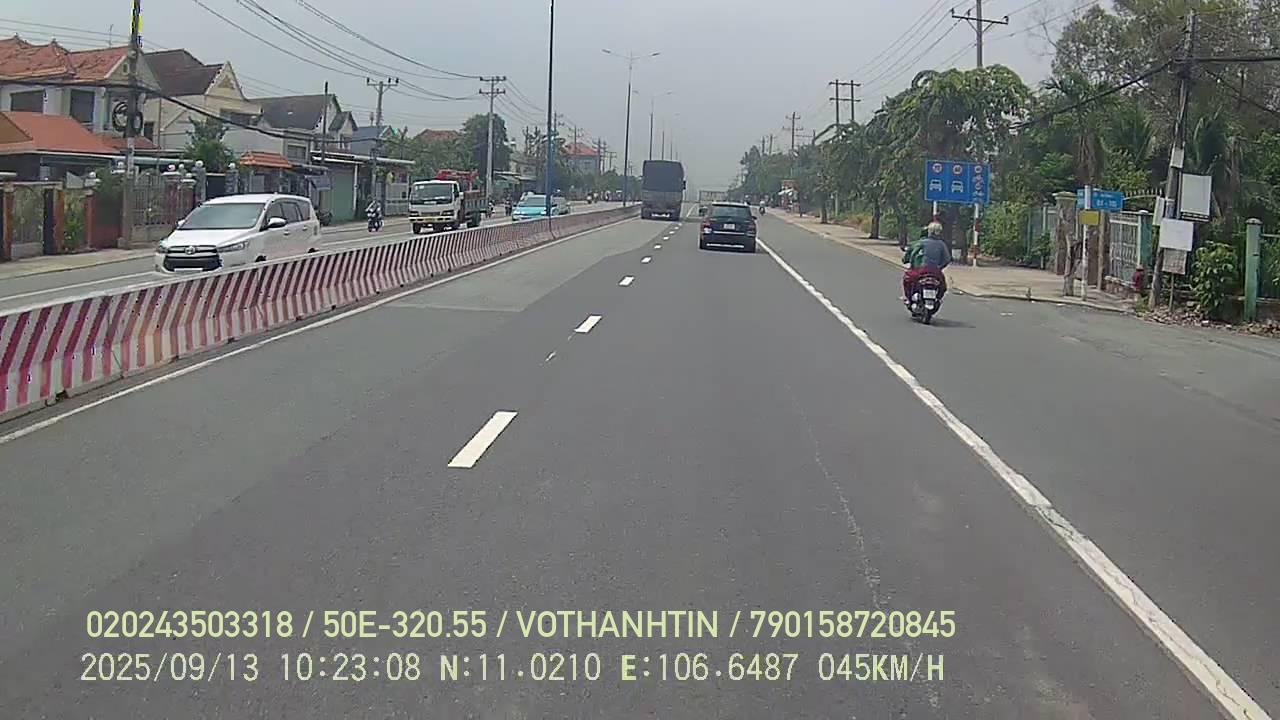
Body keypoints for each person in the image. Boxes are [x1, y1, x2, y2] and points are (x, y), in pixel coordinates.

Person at [902, 221, 950, 301]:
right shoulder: (942, 244)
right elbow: (947, 259)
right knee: (943, 286)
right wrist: (939, 267)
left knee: (907, 279)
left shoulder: (922, 242)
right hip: (936, 271)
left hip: (922, 270)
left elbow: (913, 254)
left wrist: (912, 265)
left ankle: (909, 299)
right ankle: (938, 299)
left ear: (929, 231)